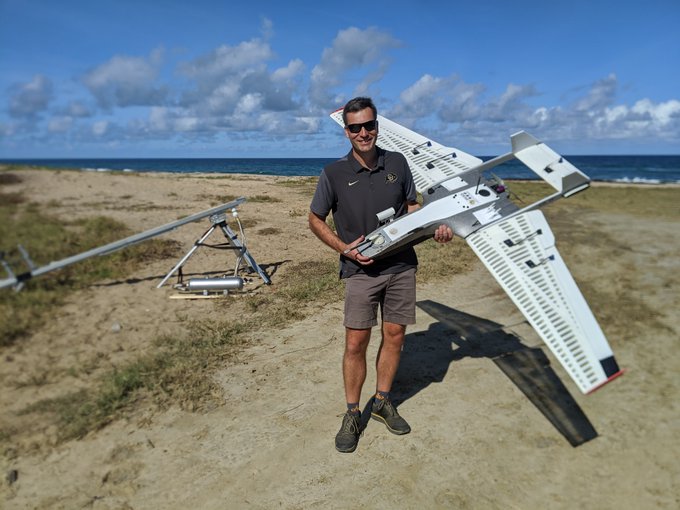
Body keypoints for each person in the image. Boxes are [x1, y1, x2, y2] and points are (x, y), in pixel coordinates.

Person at [308, 97, 453, 453]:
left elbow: (412, 206)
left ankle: (383, 400)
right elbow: (314, 219)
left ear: (377, 126)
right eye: (355, 127)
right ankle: (353, 412)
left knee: (394, 335)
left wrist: (436, 225)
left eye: (369, 125)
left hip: (401, 265)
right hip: (360, 270)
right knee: (356, 342)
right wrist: (343, 248)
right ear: (346, 132)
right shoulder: (334, 173)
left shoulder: (398, 163)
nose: (363, 133)